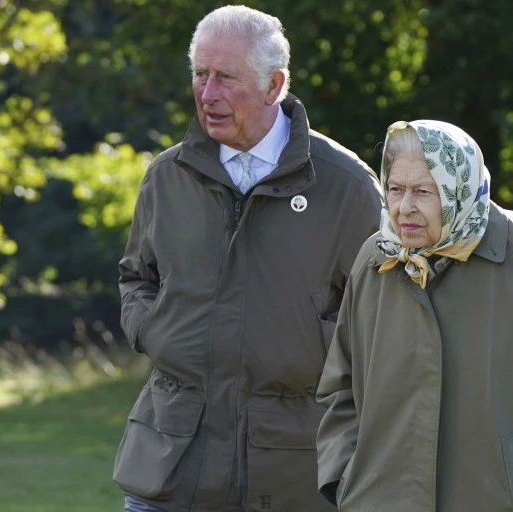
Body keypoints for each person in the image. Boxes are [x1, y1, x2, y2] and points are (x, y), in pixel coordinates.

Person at [113, 6, 382, 512]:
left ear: (273, 85)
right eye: (200, 74)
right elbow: (136, 277)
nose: (207, 93)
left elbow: (384, 308)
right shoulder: (167, 177)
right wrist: (154, 330)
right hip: (169, 466)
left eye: (225, 77)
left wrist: (319, 345)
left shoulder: (345, 186)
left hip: (294, 473)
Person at [316, 120, 513, 511]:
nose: (404, 207)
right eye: (395, 189)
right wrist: (345, 477)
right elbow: (340, 388)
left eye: (424, 191)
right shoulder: (376, 258)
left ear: (458, 187)